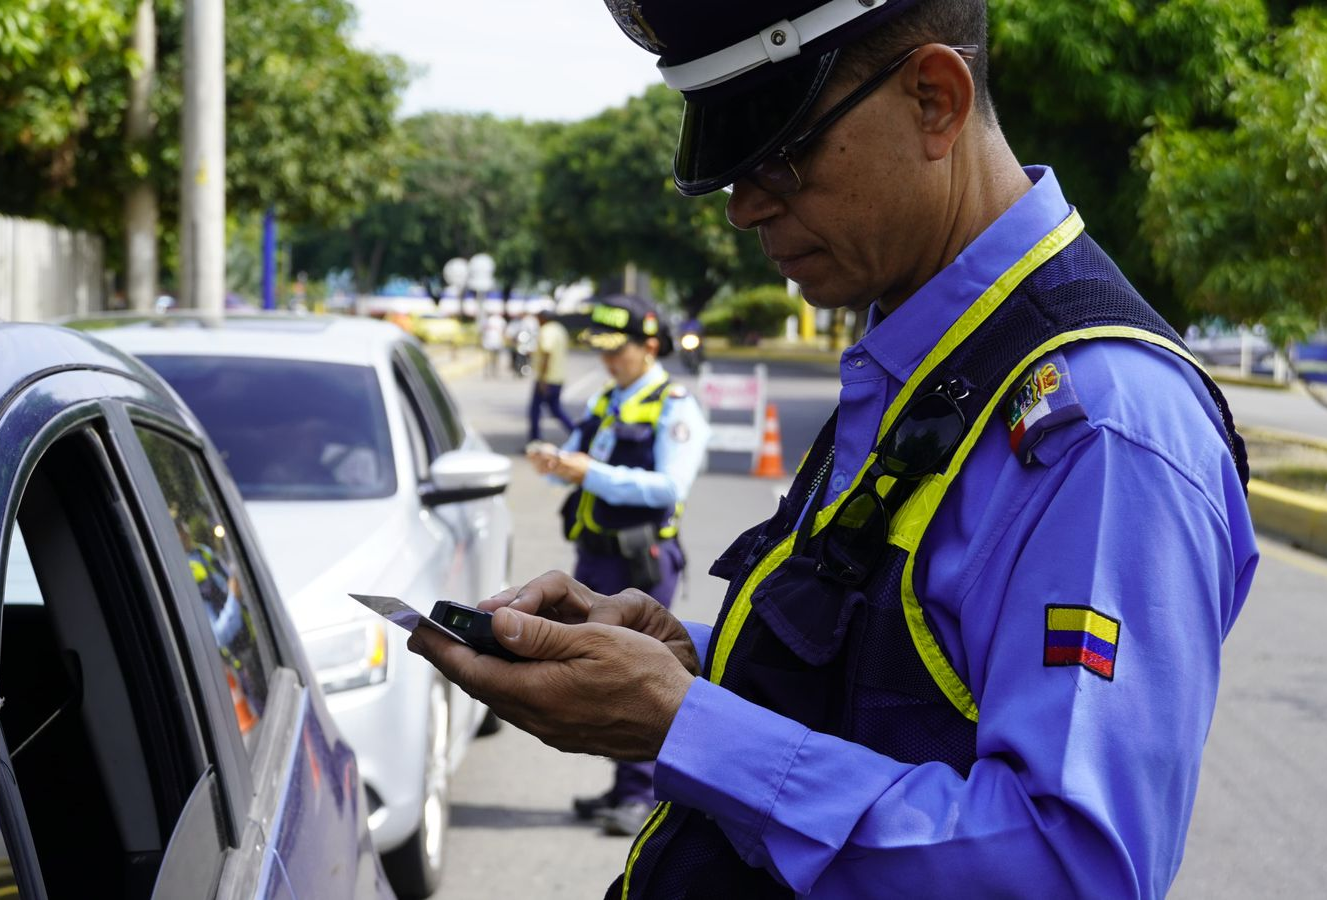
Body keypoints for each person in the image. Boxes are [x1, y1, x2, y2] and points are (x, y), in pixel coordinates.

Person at [409, 1, 1258, 897]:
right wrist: (685, 661)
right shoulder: (926, 340)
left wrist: (683, 727)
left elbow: (1068, 869)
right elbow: (912, 675)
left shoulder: (1106, 427)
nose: (744, 207)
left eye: (781, 152)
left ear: (935, 99)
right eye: (732, 164)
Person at [524, 295, 711, 836]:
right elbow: (579, 463)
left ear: (650, 346)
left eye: (619, 351)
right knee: (600, 671)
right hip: (597, 555)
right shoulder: (610, 398)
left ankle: (642, 792)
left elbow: (669, 489)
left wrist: (591, 474)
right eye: (602, 352)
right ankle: (622, 785)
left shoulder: (675, 406)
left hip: (642, 561)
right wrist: (556, 464)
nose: (608, 361)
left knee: (637, 673)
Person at [528, 308, 576, 441]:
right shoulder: (559, 329)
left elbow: (547, 353)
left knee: (535, 411)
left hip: (547, 378)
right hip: (557, 376)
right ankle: (577, 433)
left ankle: (535, 439)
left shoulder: (547, 330)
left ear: (543, 318)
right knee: (555, 409)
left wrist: (543, 379)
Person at [480, 312, 507, 379]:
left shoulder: (499, 320)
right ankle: (492, 371)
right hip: (492, 341)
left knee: (491, 357)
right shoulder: (499, 320)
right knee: (493, 357)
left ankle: (491, 371)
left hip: (492, 341)